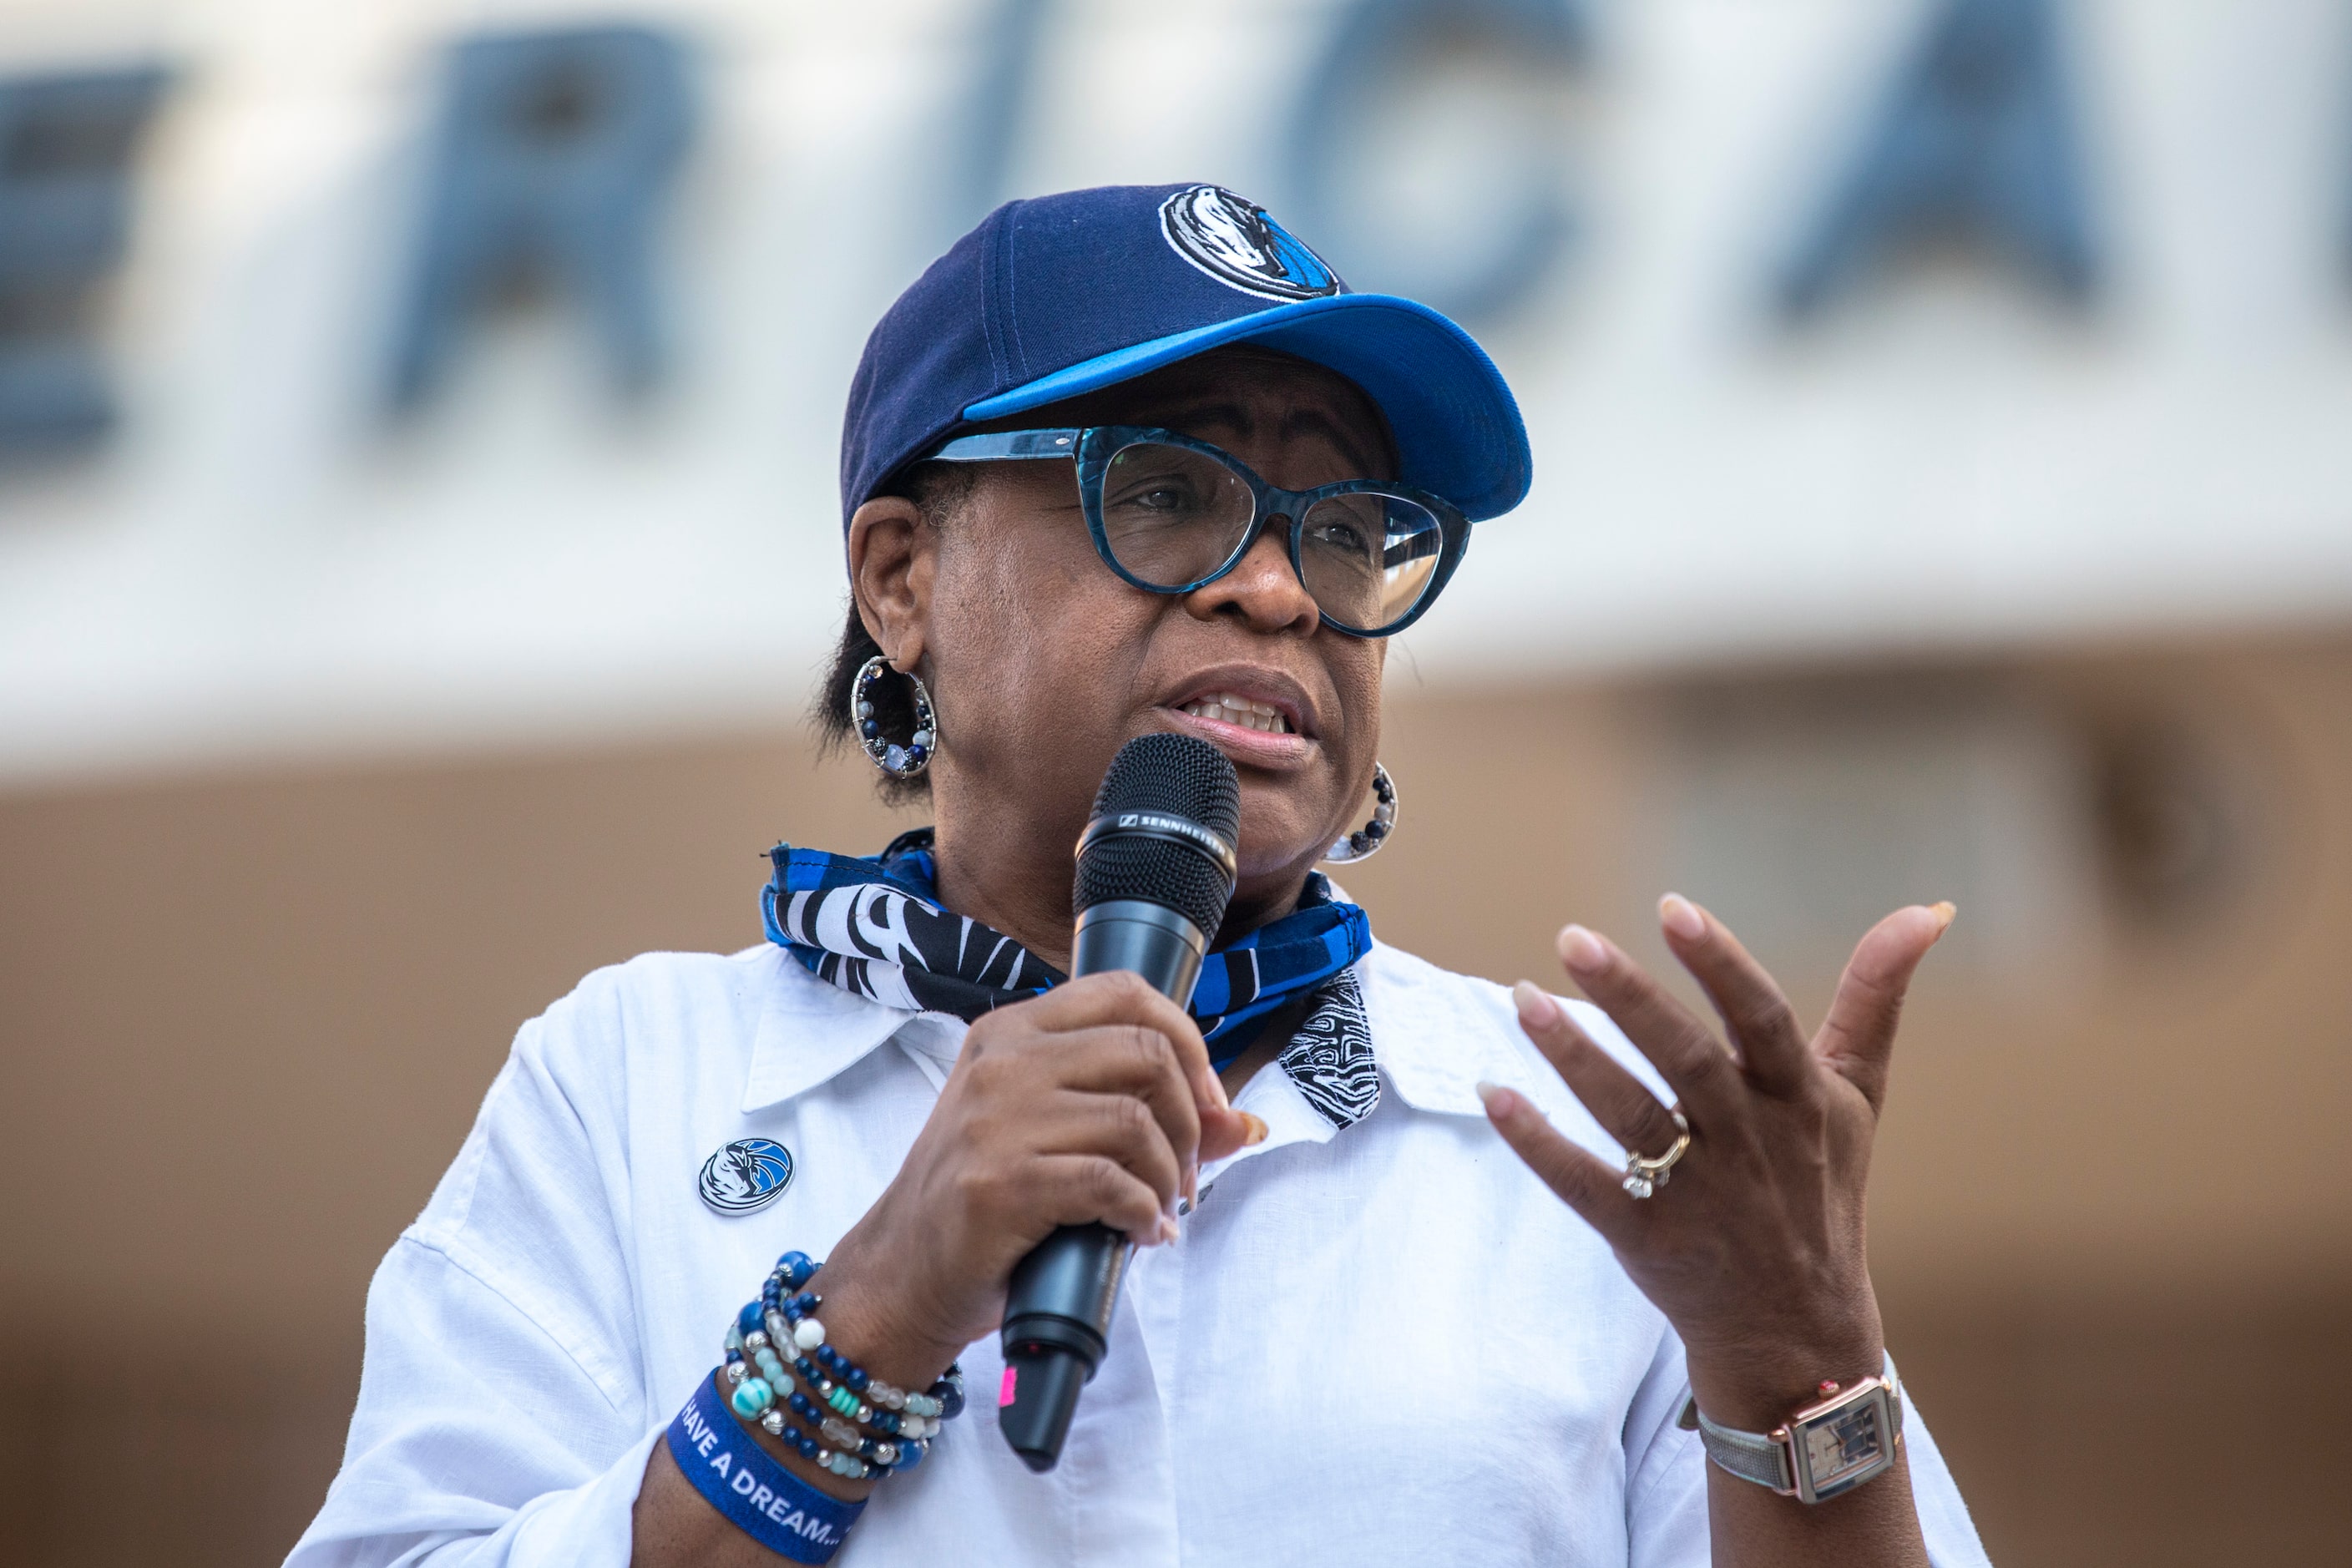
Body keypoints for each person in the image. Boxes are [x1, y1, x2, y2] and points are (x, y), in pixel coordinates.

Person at [290, 184, 1990, 1567]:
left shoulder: (1579, 1145)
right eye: (1165, 493)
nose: (1275, 589)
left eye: (1343, 529)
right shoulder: (636, 1083)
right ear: (901, 581)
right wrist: (876, 1305)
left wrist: (1790, 1377)